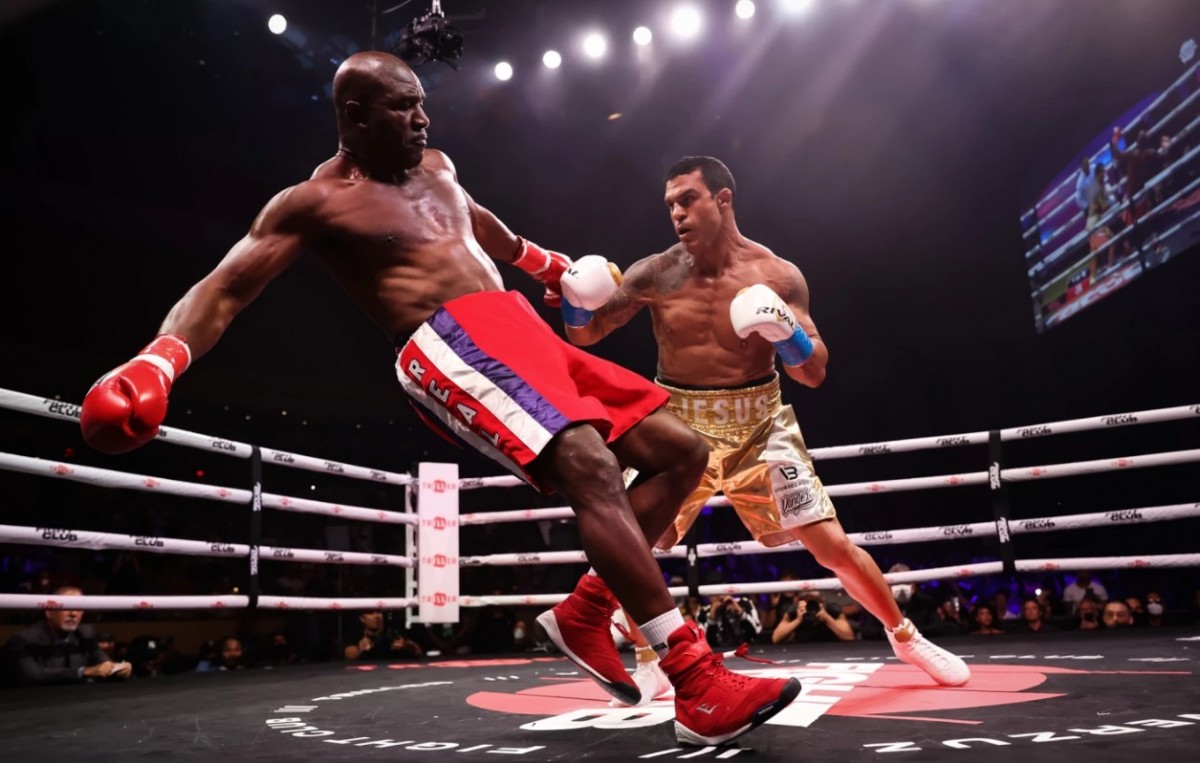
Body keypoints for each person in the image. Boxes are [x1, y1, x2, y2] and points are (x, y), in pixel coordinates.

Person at [77, 53, 797, 746]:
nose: (423, 119)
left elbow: (479, 223)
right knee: (591, 466)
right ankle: (694, 678)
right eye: (404, 107)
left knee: (680, 452)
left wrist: (546, 265)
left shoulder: (439, 166)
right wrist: (157, 362)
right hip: (446, 340)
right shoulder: (315, 202)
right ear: (357, 115)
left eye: (423, 104)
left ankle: (586, 612)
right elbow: (226, 287)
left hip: (518, 326)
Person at [554, 156, 970, 688]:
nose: (676, 213)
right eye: (670, 204)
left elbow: (813, 373)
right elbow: (586, 334)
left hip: (760, 425)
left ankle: (906, 637)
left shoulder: (776, 275)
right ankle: (649, 659)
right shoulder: (656, 271)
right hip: (679, 426)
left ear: (723, 199)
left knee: (829, 543)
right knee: (634, 539)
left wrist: (787, 335)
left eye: (688, 199)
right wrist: (573, 301)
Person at [2, 587, 132, 685]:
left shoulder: (85, 633)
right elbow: (32, 675)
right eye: (67, 607)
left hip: (79, 702)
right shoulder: (24, 639)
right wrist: (83, 671)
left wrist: (116, 668)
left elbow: (101, 661)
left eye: (78, 608)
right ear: (49, 612)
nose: (73, 614)